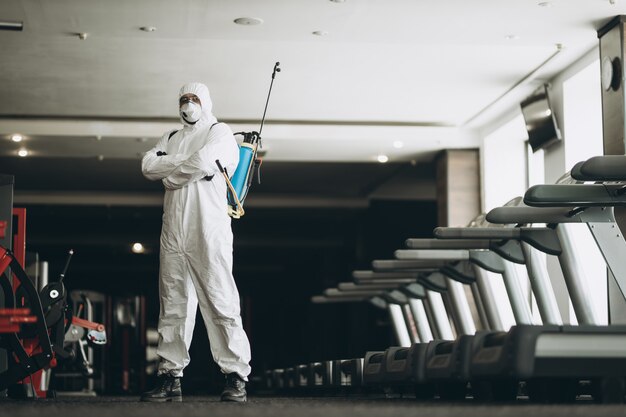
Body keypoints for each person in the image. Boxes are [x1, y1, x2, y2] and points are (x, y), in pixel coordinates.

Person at [140, 82, 251, 402]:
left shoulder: (220, 131)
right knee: (172, 303)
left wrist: (170, 171)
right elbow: (148, 166)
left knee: (220, 300)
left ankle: (235, 375)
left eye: (194, 99)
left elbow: (205, 162)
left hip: (209, 227)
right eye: (184, 100)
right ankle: (169, 376)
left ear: (206, 101)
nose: (188, 105)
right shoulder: (171, 137)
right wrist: (185, 163)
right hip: (173, 229)